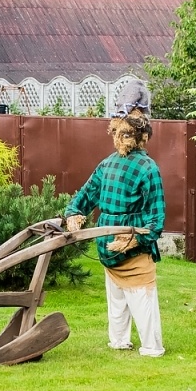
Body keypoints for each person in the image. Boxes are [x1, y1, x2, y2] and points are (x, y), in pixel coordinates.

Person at [64, 109, 166, 357]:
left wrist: (73, 216)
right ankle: (151, 347)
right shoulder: (147, 167)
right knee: (142, 297)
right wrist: (139, 239)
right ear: (144, 137)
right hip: (129, 244)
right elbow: (156, 217)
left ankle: (119, 340)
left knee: (117, 298)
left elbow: (81, 200)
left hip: (109, 241)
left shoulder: (107, 164)